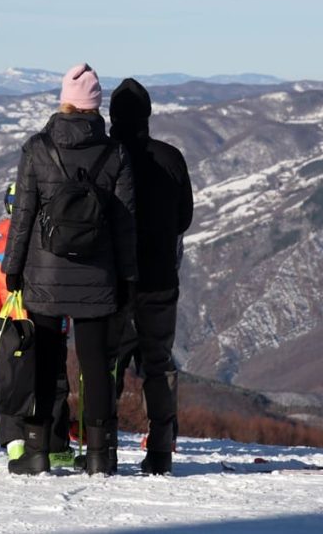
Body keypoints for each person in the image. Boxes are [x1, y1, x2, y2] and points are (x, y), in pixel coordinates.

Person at [1, 63, 138, 476]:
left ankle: (39, 449)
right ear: (96, 106)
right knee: (96, 366)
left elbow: (22, 216)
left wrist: (14, 268)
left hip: (45, 274)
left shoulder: (37, 148)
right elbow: (125, 223)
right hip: (98, 275)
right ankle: (99, 454)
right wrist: (128, 277)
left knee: (45, 362)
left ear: (64, 101)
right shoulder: (115, 152)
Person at [108, 77, 194, 475]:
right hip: (160, 279)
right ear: (147, 117)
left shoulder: (105, 157)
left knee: (107, 362)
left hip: (112, 282)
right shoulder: (170, 157)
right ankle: (161, 447)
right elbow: (184, 219)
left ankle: (101, 445)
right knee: (158, 364)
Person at [0, 184, 74, 466]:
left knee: (13, 380)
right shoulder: (52, 240)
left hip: (13, 322)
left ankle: (15, 442)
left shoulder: (0, 248)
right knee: (55, 380)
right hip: (50, 319)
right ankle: (57, 444)